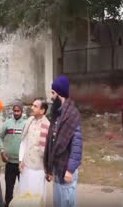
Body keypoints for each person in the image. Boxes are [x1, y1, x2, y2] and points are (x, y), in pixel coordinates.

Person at [44, 75, 83, 207]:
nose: (51, 96)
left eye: (53, 93)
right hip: (56, 168)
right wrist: (48, 168)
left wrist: (70, 170)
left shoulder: (72, 115)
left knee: (67, 203)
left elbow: (76, 146)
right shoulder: (56, 114)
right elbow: (51, 142)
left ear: (60, 93)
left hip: (66, 169)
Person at [0, 101, 26, 207]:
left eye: (18, 111)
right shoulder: (7, 123)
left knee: (24, 190)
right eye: (14, 111)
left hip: (23, 164)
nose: (16, 113)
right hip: (10, 163)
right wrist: (2, 151)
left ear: (22, 111)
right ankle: (8, 204)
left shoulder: (26, 123)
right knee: (9, 189)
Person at [18, 98, 50, 199]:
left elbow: (49, 150)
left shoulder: (47, 125)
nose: (32, 108)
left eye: (35, 106)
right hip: (26, 165)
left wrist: (48, 168)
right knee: (24, 195)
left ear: (42, 110)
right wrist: (20, 159)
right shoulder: (29, 121)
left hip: (39, 168)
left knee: (36, 196)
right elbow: (23, 142)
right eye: (32, 105)